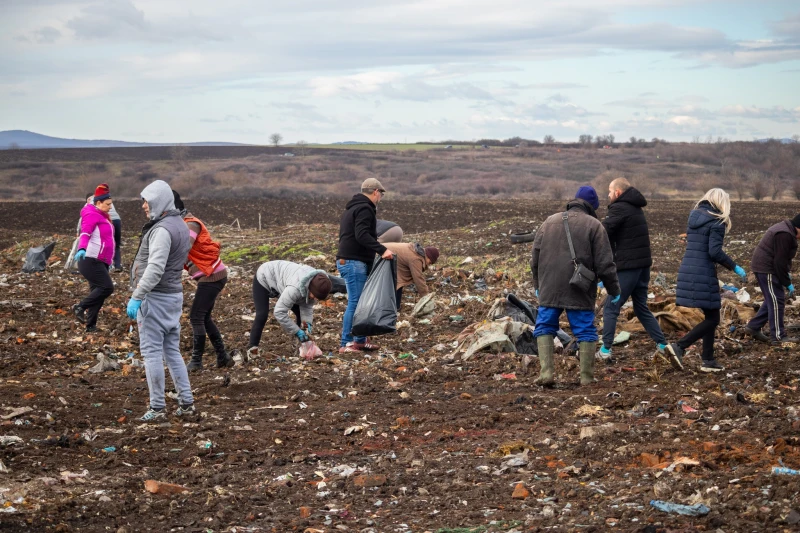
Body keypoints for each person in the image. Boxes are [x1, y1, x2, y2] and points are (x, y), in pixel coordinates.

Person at [531, 186, 621, 386]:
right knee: (585, 330)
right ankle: (587, 378)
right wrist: (614, 290)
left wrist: (538, 284)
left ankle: (546, 374)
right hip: (579, 286)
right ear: (592, 206)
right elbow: (605, 264)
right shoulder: (595, 225)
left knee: (544, 326)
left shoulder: (549, 222)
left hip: (549, 286)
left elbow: (534, 258)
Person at [127, 180, 193, 422]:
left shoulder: (163, 230)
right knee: (172, 351)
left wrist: (137, 296)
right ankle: (186, 402)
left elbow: (155, 269)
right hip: (173, 296)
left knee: (152, 352)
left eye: (148, 201)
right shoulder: (180, 225)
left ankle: (156, 408)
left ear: (160, 201)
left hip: (155, 298)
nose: (144, 206)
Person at [598, 178, 675, 365]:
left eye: (609, 191)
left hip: (628, 268)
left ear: (617, 192)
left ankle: (605, 350)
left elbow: (602, 233)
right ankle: (663, 345)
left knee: (611, 306)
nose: (608, 195)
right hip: (642, 267)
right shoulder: (635, 207)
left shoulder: (619, 208)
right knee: (640, 307)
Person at [670, 188, 747, 373]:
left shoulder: (694, 217)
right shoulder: (717, 221)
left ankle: (708, 360)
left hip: (688, 270)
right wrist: (734, 266)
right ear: (723, 203)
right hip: (702, 272)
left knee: (711, 314)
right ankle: (679, 347)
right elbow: (714, 252)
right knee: (713, 318)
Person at [172, 191, 233, 371]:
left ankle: (197, 361)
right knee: (204, 317)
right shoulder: (181, 223)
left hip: (212, 276)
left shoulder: (191, 224)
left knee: (196, 317)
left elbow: (185, 246)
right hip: (211, 275)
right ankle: (223, 357)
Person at [336, 178, 395, 354]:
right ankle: (346, 342)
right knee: (355, 303)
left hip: (352, 261)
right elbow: (361, 235)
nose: (381, 198)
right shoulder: (365, 208)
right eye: (381, 194)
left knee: (360, 302)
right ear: (376, 192)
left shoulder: (352, 208)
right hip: (353, 262)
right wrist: (382, 250)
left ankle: (359, 340)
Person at [248, 260, 332, 356]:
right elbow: (279, 312)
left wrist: (307, 324)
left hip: (285, 282)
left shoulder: (318, 283)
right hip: (265, 276)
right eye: (315, 296)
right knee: (262, 314)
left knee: (301, 318)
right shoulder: (294, 289)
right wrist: (297, 331)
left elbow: (306, 306)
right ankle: (252, 349)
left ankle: (301, 348)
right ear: (310, 288)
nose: (315, 299)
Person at [743, 214, 800, 345]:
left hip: (767, 267)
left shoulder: (786, 230)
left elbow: (782, 258)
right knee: (777, 300)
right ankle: (778, 336)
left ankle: (753, 327)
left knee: (772, 299)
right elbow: (779, 262)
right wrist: (787, 282)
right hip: (766, 268)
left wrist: (786, 273)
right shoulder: (784, 234)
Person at [73, 184, 116, 333]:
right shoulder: (92, 215)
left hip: (101, 260)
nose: (111, 207)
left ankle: (90, 326)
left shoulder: (103, 216)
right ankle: (80, 306)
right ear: (98, 203)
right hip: (91, 259)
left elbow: (106, 239)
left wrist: (109, 261)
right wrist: (82, 248)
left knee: (97, 294)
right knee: (107, 287)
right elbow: (85, 233)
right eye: (108, 204)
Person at [383, 242, 439, 309]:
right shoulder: (416, 258)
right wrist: (426, 297)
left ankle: (395, 307)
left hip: (385, 252)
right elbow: (418, 278)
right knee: (396, 282)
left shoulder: (416, 251)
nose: (429, 264)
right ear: (428, 256)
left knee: (399, 281)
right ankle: (393, 307)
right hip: (382, 254)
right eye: (430, 262)